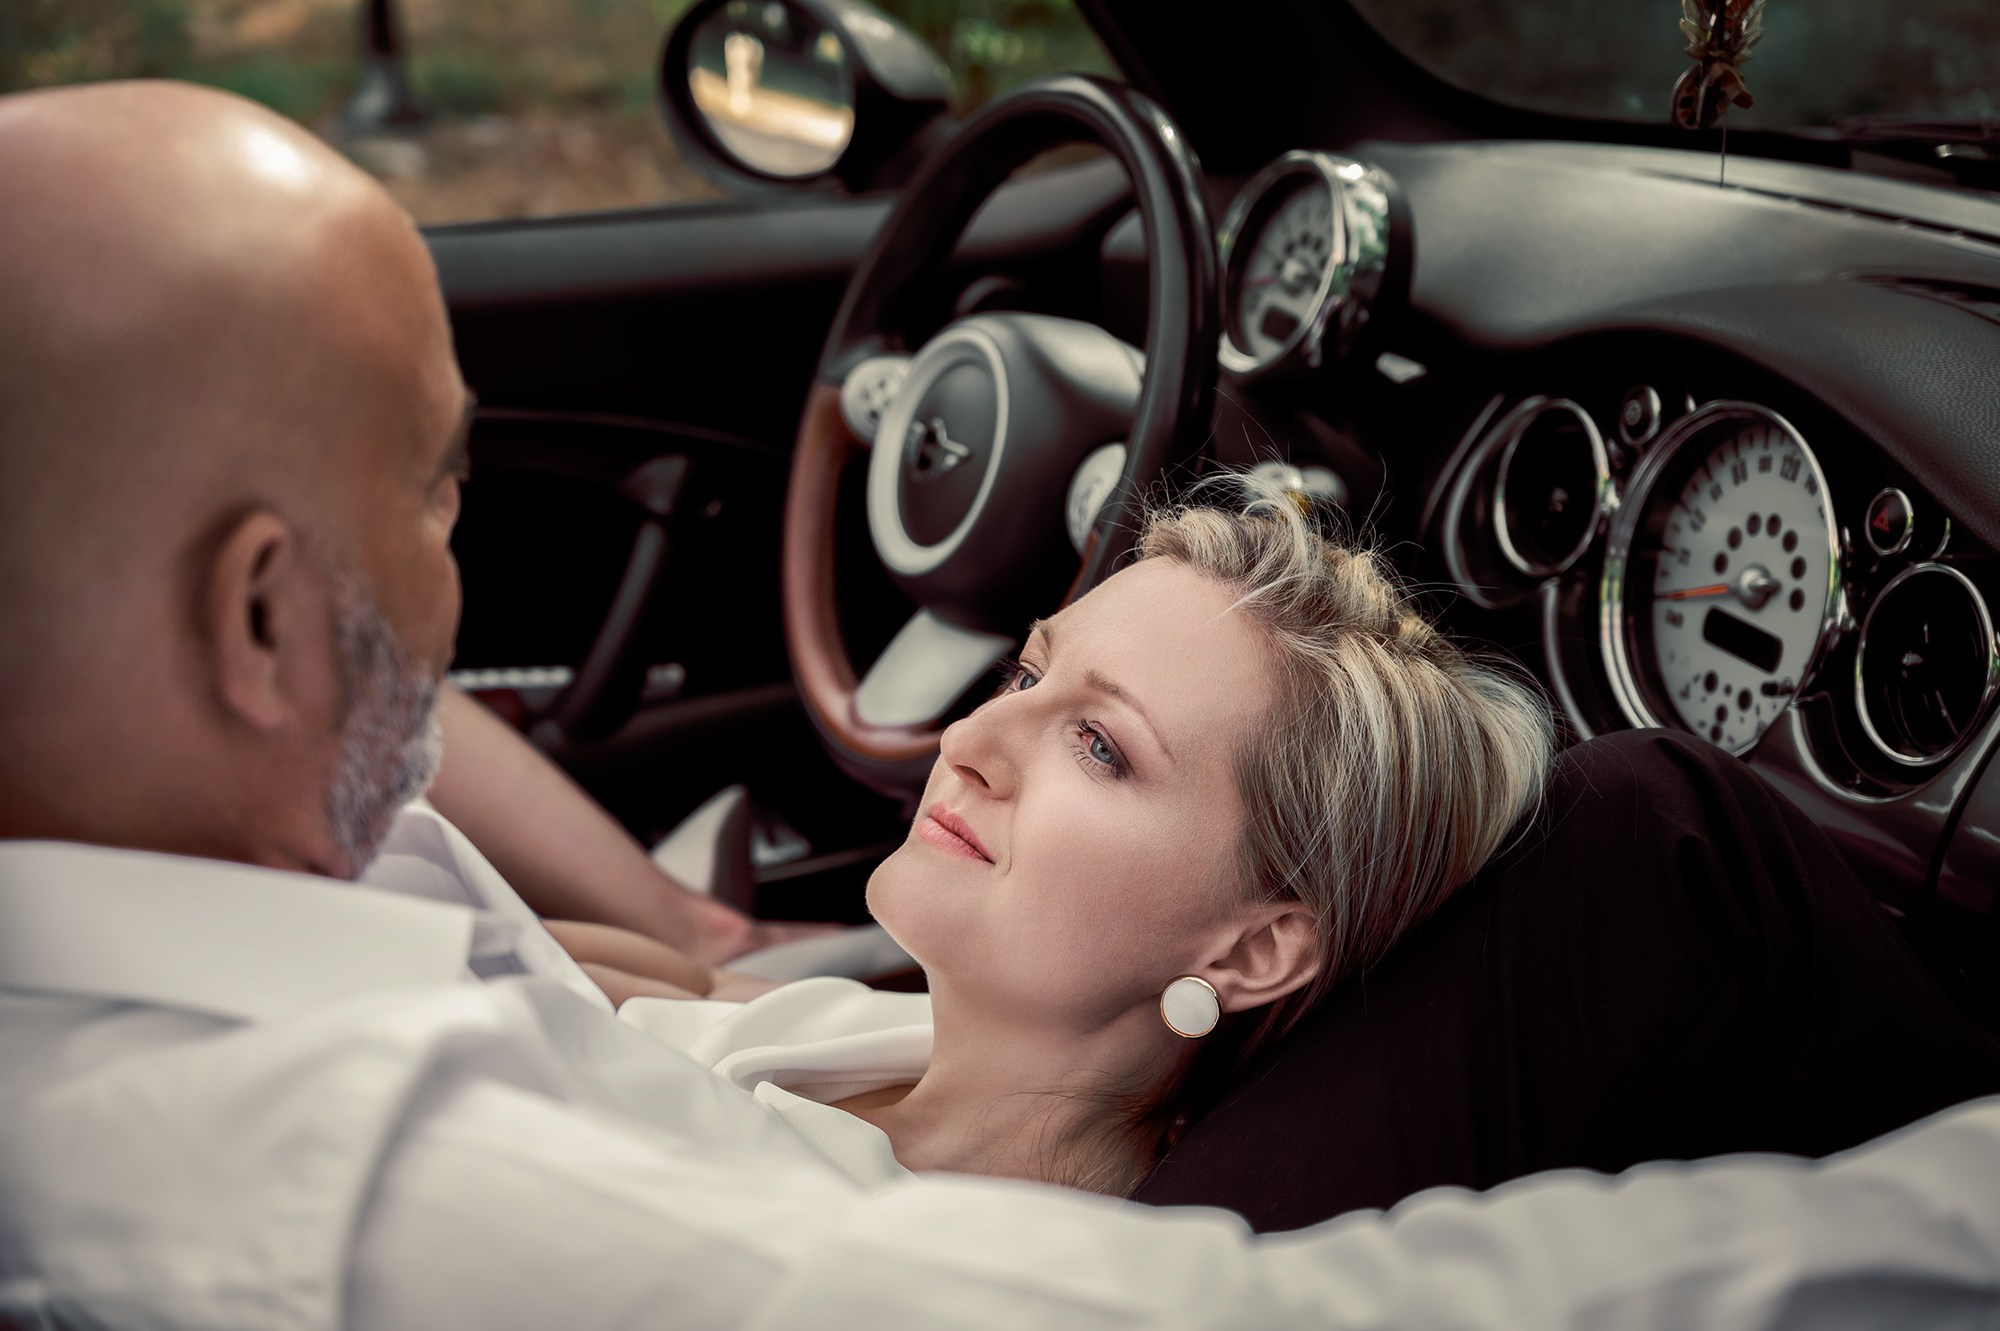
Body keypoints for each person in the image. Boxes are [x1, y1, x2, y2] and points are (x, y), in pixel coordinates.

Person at [6, 79, 2000, 1331]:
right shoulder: (380, 1196)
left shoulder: (263, 892)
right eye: (436, 496)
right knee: (1666, 835)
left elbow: (546, 911)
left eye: (1094, 718)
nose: (975, 727)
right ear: (259, 619)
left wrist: (706, 938)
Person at [618, 491, 1555, 1194]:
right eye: (1028, 674)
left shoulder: (910, 1258)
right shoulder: (880, 1041)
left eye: (1101, 746)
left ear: (1252, 948)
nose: (966, 742)